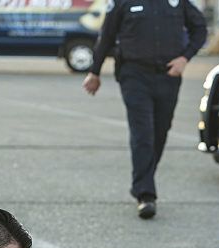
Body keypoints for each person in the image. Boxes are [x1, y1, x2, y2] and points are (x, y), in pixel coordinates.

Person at [82, 0, 207, 220]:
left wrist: (184, 58)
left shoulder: (178, 2)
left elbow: (200, 29)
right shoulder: (123, 2)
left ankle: (143, 179)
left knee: (160, 132)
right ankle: (145, 194)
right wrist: (95, 72)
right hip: (134, 75)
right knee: (143, 133)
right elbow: (107, 35)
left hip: (169, 76)